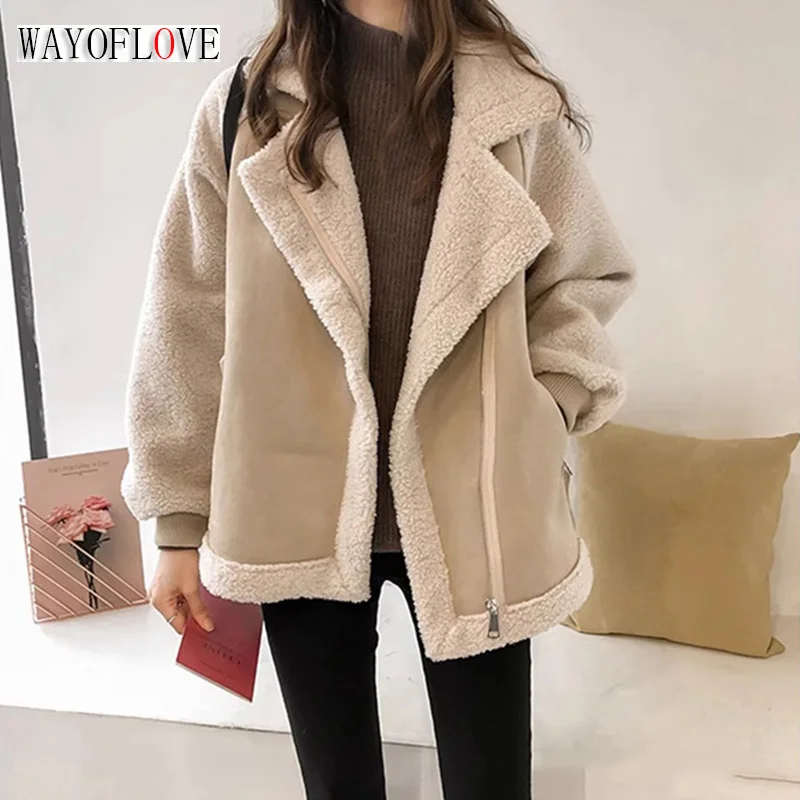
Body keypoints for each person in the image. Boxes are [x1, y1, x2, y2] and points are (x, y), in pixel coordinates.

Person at [123, 0, 635, 796]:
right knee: (339, 786)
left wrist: (544, 409)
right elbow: (183, 320)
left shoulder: (510, 100)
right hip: (294, 506)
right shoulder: (247, 109)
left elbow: (582, 277)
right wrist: (177, 527)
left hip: (478, 509)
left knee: (492, 783)